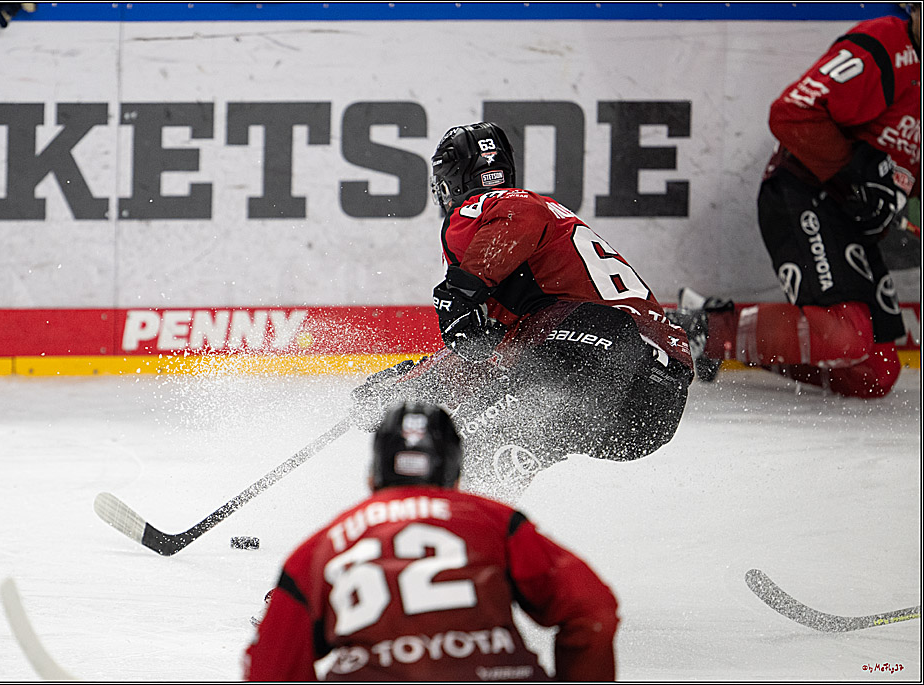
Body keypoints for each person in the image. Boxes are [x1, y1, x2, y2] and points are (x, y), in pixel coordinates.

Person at [352, 122, 695, 501]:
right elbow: (489, 350)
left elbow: (520, 215)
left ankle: (435, 535)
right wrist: (412, 388)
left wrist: (462, 288)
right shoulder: (536, 268)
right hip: (649, 412)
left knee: (477, 445)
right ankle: (477, 540)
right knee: (483, 452)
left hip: (606, 352)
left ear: (448, 183)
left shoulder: (490, 209)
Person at [243, 402, 619, 681]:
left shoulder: (320, 548)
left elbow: (269, 667)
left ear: (373, 478)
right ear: (455, 478)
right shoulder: (495, 521)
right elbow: (594, 608)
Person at [674, 5, 920, 397]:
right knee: (845, 335)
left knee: (876, 371)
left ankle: (716, 332)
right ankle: (704, 328)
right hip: (804, 190)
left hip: (853, 217)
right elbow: (792, 113)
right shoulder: (885, 45)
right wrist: (859, 174)